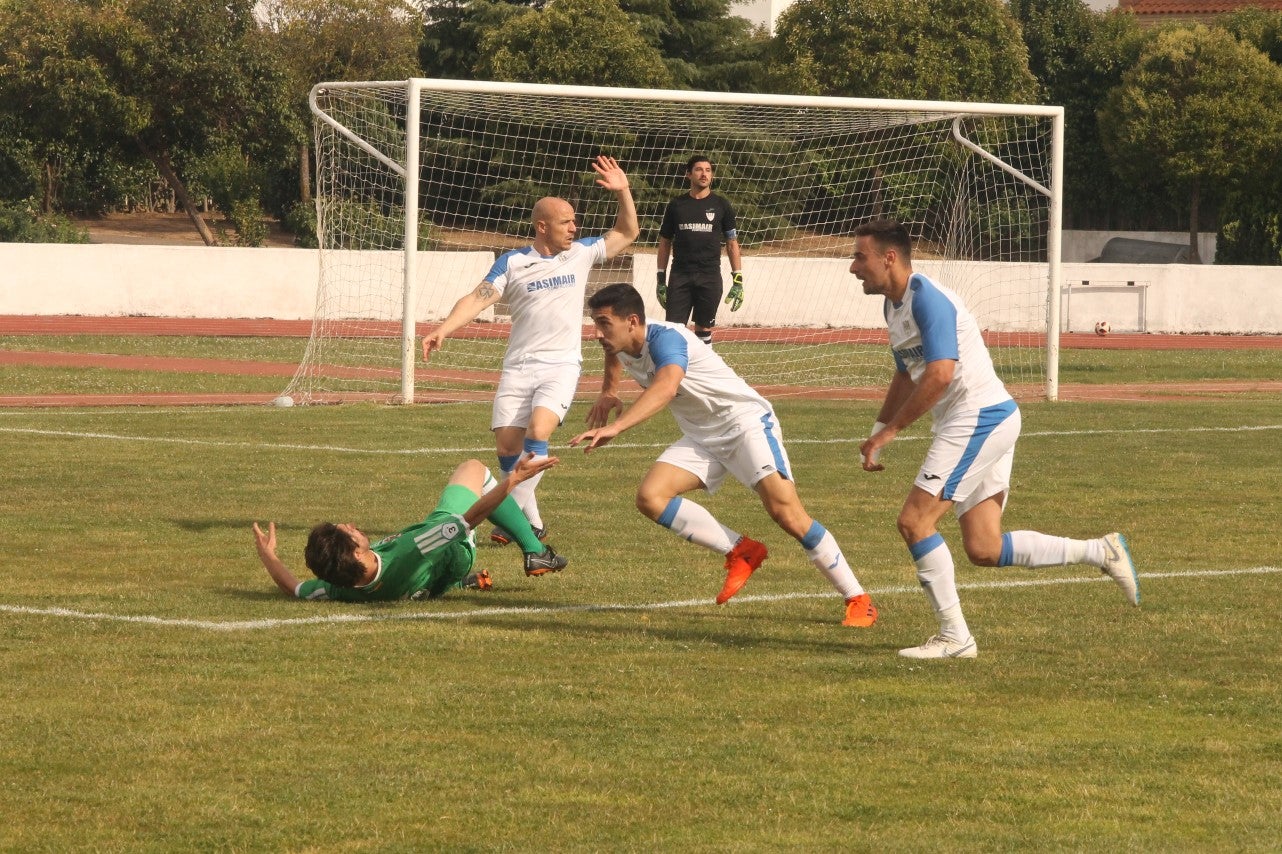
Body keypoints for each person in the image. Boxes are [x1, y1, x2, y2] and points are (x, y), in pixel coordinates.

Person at [849, 219, 1140, 659]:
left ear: (889, 258)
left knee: (914, 522)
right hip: (984, 420)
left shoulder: (927, 298)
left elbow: (941, 374)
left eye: (859, 256)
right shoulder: (893, 306)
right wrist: (876, 431)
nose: (853, 267)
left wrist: (892, 432)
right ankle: (1100, 551)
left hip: (978, 419)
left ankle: (955, 638)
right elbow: (905, 373)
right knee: (984, 547)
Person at [569, 282, 878, 627]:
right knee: (651, 497)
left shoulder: (665, 339)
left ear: (633, 321)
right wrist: (609, 392)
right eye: (595, 323)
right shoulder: (622, 342)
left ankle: (859, 599)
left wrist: (616, 427)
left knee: (787, 514)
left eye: (604, 324)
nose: (597, 333)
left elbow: (667, 385)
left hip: (744, 424)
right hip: (703, 436)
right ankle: (742, 550)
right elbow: (614, 354)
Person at [422, 155, 639, 546]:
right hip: (519, 365)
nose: (575, 228)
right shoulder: (513, 262)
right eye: (565, 222)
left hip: (561, 365)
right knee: (507, 446)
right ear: (542, 227)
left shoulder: (582, 252)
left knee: (539, 431)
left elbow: (628, 231)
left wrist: (623, 191)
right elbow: (477, 298)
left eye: (575, 221)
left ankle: (496, 517)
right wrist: (443, 329)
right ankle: (531, 522)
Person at [252, 454, 568, 602]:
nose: (351, 524)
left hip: (431, 578)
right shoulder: (414, 547)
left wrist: (269, 557)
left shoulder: (340, 586)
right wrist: (513, 480)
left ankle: (454, 584)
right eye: (347, 531)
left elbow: (293, 588)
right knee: (474, 470)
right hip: (453, 551)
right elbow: (472, 517)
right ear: (357, 552)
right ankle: (535, 549)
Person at [656, 155, 744, 347]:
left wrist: (738, 279)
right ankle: (676, 375)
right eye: (698, 169)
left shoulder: (722, 205)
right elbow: (664, 242)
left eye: (708, 170)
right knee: (674, 329)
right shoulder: (676, 205)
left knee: (703, 330)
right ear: (688, 174)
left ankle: (702, 374)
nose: (704, 174)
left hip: (710, 275)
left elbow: (731, 242)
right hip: (681, 275)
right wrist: (660, 279)